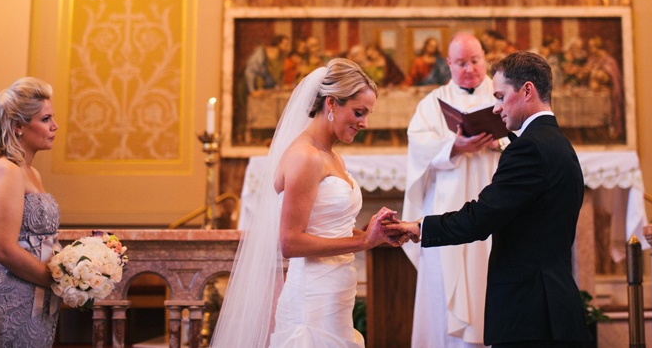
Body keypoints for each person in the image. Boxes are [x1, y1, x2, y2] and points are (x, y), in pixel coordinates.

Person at [396, 51, 591, 348]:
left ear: (527, 90)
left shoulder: (527, 149)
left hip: (528, 313)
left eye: (500, 96)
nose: (496, 108)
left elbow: (480, 218)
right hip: (554, 306)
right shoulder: (561, 144)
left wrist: (420, 227)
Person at [211, 59, 409, 348]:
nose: (365, 123)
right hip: (312, 302)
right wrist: (364, 241)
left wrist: (377, 235)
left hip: (335, 296)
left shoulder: (333, 157)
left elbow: (328, 230)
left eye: (367, 114)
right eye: (359, 112)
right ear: (331, 103)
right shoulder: (304, 157)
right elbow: (290, 242)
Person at [401, 32, 503, 348]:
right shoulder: (432, 104)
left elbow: (524, 136)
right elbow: (418, 147)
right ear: (448, 64)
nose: (470, 68)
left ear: (485, 58)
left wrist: (499, 140)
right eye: (461, 62)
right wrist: (453, 146)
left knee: (491, 278)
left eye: (475, 60)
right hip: (446, 210)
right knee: (443, 285)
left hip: (493, 208)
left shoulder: (503, 96)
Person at [0, 78, 61, 348]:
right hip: (5, 297)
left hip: (33, 296)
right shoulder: (4, 169)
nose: (55, 126)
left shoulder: (32, 172)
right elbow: (4, 248)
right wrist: (59, 280)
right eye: (46, 119)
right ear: (18, 126)